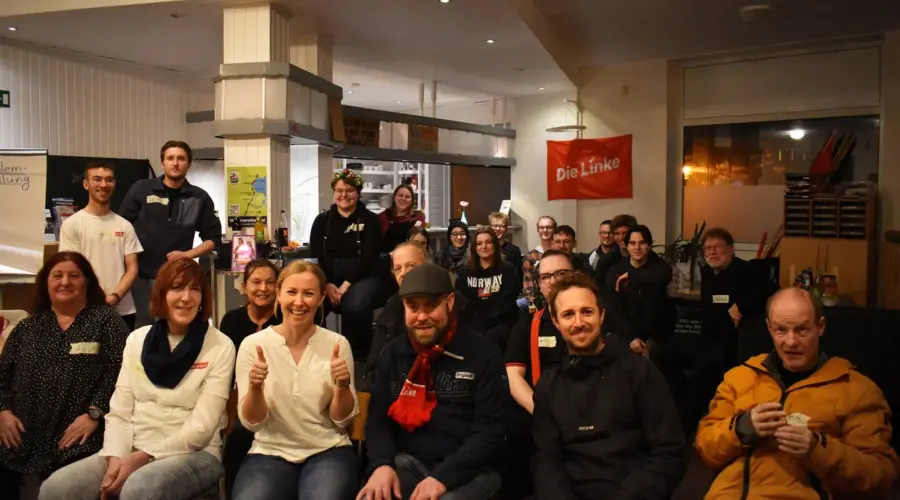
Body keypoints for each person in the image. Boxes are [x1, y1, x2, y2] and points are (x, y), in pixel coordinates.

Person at [39, 258, 235, 500]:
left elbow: (202, 428)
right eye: (177, 288)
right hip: (129, 448)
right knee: (56, 488)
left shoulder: (220, 345)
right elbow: (120, 412)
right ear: (161, 294)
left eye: (194, 289)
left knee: (139, 488)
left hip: (196, 453)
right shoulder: (137, 340)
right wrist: (115, 458)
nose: (186, 297)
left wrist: (143, 457)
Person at [695, 288, 900, 500]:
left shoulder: (857, 390)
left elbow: (880, 476)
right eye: (781, 330)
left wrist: (817, 449)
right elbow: (705, 449)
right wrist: (741, 428)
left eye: (802, 330)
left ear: (820, 327)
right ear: (769, 328)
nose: (791, 342)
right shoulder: (739, 378)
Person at [358, 263, 507, 500]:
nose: (422, 317)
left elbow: (490, 432)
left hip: (473, 470)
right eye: (413, 307)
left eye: (431, 306)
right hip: (408, 463)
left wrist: (442, 478)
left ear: (449, 303)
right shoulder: (392, 354)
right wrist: (381, 465)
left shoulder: (483, 353)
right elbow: (378, 422)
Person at [532, 273, 686, 499]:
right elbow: (545, 460)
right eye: (568, 314)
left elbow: (670, 454)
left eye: (587, 311)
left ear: (602, 315)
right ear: (556, 322)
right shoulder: (548, 385)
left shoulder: (640, 373)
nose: (579, 322)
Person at [0, 252, 127, 497]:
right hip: (19, 437)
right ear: (46, 282)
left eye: (74, 275)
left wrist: (95, 413)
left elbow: (121, 374)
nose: (65, 282)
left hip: (79, 437)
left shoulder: (106, 321)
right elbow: (2, 376)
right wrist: (3, 411)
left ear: (87, 282)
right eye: (57, 275)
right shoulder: (28, 326)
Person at [231, 260, 358, 500]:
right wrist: (255, 388)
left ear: (321, 298)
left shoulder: (337, 344)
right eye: (291, 292)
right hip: (268, 451)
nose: (299, 302)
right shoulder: (253, 345)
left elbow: (342, 420)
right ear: (278, 294)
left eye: (308, 294)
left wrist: (342, 387)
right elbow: (252, 423)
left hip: (328, 449)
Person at [119, 140, 222, 328]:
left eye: (181, 159)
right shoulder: (142, 189)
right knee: (144, 328)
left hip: (177, 278)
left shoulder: (199, 197)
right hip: (141, 276)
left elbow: (213, 239)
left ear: (188, 164)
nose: (175, 163)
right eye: (170, 158)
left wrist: (187, 255)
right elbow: (121, 227)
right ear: (162, 163)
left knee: (174, 327)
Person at [503, 250, 574, 500]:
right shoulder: (529, 323)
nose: (553, 281)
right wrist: (542, 411)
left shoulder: (594, 320)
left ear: (575, 276)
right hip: (541, 415)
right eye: (546, 276)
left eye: (561, 274)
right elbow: (514, 376)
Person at [365, 243, 484, 389]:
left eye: (410, 266)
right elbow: (374, 367)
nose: (403, 273)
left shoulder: (457, 303)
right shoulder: (391, 307)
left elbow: (478, 355)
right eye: (397, 268)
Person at [690, 227, 775, 428]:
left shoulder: (746, 271)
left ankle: (697, 424)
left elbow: (772, 293)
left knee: (702, 371)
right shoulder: (709, 275)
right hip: (707, 338)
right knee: (664, 352)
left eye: (718, 247)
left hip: (733, 343)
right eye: (708, 248)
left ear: (731, 249)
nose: (712, 252)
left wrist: (742, 306)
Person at [219, 259, 280, 499]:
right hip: (241, 398)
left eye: (270, 282)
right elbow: (226, 371)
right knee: (236, 435)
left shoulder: (287, 318)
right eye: (256, 282)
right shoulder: (231, 320)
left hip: (278, 398)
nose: (263, 288)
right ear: (244, 286)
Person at [309, 169, 385, 359]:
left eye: (349, 190)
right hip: (329, 277)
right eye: (339, 190)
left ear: (358, 193)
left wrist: (346, 285)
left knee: (355, 306)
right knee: (311, 303)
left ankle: (355, 358)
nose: (344, 195)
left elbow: (369, 257)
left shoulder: (371, 221)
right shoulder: (322, 221)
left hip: (364, 275)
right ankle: (316, 351)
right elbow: (317, 256)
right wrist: (326, 284)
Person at [59, 162, 143, 330]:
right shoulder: (72, 224)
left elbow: (132, 269)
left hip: (123, 311)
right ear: (86, 184)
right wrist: (94, 300)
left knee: (122, 357)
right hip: (83, 310)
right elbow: (71, 269)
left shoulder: (125, 226)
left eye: (109, 180)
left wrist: (115, 297)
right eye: (97, 179)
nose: (103, 185)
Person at [604, 224, 675, 357]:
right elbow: (613, 309)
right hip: (626, 336)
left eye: (642, 243)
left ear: (649, 246)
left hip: (657, 338)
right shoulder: (615, 271)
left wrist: (632, 275)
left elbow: (664, 275)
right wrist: (630, 338)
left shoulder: (659, 267)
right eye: (632, 243)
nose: (637, 247)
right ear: (627, 246)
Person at [454, 228, 521, 352]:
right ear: (474, 247)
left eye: (488, 242)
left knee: (491, 338)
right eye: (479, 243)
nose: (484, 246)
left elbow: (507, 305)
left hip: (501, 324)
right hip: (474, 324)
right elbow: (462, 302)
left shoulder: (508, 269)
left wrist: (485, 326)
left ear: (495, 245)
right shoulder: (465, 271)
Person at [521, 215, 557, 311]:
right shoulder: (530, 256)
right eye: (541, 227)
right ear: (538, 230)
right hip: (537, 299)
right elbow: (528, 283)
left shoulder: (560, 253)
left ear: (554, 229)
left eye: (548, 227)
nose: (545, 230)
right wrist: (533, 301)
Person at [379, 184, 426, 254]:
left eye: (407, 197)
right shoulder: (383, 216)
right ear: (394, 198)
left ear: (412, 200)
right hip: (386, 259)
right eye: (400, 195)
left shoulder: (418, 217)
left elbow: (417, 242)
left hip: (410, 256)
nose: (403, 199)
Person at [594, 214, 636, 292]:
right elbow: (597, 288)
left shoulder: (644, 255)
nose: (621, 238)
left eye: (625, 233)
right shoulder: (605, 261)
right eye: (617, 234)